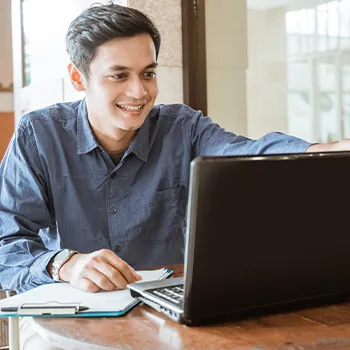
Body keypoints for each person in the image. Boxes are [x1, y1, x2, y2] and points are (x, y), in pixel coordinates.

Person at [1, 3, 350, 349]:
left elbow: (247, 150)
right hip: (65, 323)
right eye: (119, 75)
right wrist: (66, 264)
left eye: (148, 73)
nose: (139, 92)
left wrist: (325, 151)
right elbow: (6, 246)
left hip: (165, 320)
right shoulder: (39, 136)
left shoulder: (182, 127)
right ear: (78, 78)